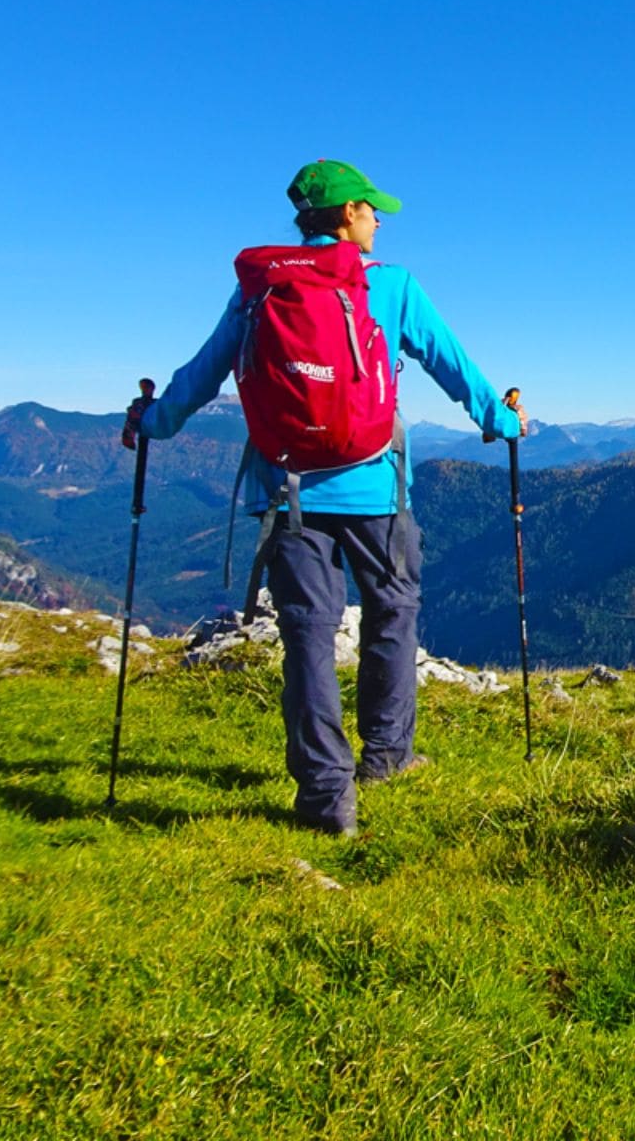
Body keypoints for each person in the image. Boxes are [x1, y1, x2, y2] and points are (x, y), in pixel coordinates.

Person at [128, 160, 524, 836]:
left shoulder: (260, 290)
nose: (379, 221)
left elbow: (203, 373)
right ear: (346, 215)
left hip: (286, 491)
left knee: (308, 635)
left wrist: (152, 421)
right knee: (392, 611)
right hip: (374, 486)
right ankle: (388, 755)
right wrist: (503, 420)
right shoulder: (391, 286)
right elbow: (451, 363)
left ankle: (324, 796)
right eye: (372, 210)